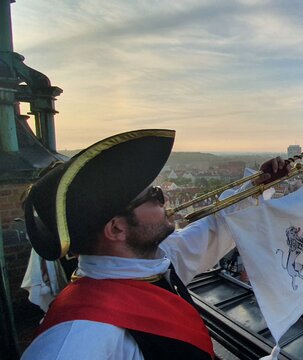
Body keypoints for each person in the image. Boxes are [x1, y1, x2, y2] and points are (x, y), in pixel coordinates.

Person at [21, 129, 287, 359]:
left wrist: (256, 185)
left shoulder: (148, 263)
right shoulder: (78, 339)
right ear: (116, 228)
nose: (164, 201)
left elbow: (215, 228)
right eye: (154, 196)